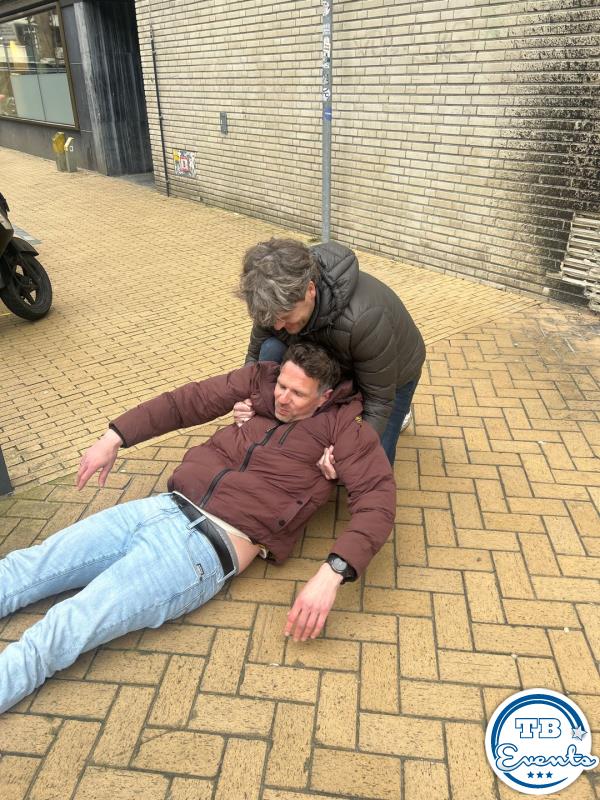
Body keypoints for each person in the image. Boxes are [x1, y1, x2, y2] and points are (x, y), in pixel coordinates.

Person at [0, 344, 394, 714]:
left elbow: (377, 501)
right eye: (282, 386)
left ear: (324, 397)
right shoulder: (258, 383)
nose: (282, 398)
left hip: (200, 550)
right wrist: (114, 437)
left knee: (66, 624)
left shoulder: (344, 433)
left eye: (298, 394)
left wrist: (333, 572)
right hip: (159, 507)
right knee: (26, 566)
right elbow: (185, 402)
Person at [237, 238, 426, 466]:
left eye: (285, 318)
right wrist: (247, 399)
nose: (277, 326)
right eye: (272, 319)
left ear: (310, 290)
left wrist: (351, 449)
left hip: (392, 373)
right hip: (333, 353)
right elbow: (255, 354)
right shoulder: (274, 304)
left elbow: (378, 401)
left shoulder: (365, 319)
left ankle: (400, 415)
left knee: (374, 459)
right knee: (271, 346)